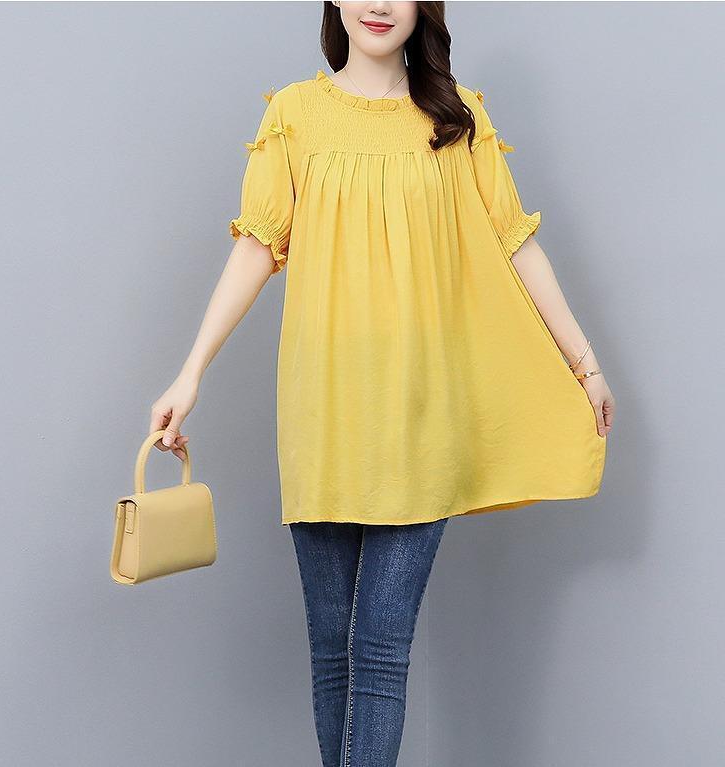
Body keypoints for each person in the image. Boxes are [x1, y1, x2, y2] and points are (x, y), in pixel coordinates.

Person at [148, 2, 615, 764]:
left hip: (421, 413)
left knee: (381, 649)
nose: (377, 4)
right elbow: (257, 246)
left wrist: (584, 363)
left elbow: (515, 244)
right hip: (322, 411)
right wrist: (189, 372)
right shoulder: (295, 114)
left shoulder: (457, 119)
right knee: (331, 649)